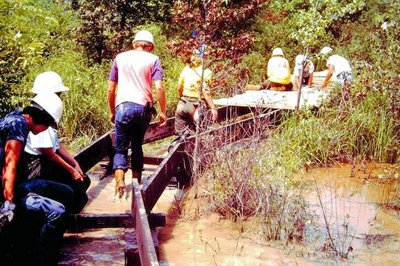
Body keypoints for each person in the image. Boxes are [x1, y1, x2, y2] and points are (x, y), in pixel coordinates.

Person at [0, 92, 72, 265]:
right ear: (42, 121)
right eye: (48, 126)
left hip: (15, 186)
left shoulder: (17, 116)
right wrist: (9, 204)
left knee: (65, 191)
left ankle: (37, 247)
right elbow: (9, 166)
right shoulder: (19, 126)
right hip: (5, 193)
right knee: (57, 212)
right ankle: (43, 259)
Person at [107, 29, 167, 200]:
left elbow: (111, 88)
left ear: (135, 44)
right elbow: (159, 87)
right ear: (150, 47)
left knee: (120, 148)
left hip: (122, 108)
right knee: (137, 146)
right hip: (142, 109)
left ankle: (119, 182)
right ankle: (136, 185)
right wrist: (163, 112)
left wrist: (112, 110)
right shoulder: (153, 59)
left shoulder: (120, 58)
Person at [23, 71, 90, 214]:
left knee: (83, 182)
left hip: (46, 162)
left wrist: (75, 163)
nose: (61, 96)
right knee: (76, 189)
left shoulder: (46, 114)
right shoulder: (40, 117)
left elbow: (57, 145)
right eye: (59, 93)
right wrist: (71, 170)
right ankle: (65, 218)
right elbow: (49, 153)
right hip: (38, 167)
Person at [174, 49, 218, 137]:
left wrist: (183, 98)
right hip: (196, 106)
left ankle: (179, 149)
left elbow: (179, 88)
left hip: (182, 104)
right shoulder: (206, 72)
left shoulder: (186, 69)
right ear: (204, 57)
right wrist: (213, 108)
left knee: (181, 136)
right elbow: (206, 91)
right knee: (201, 135)